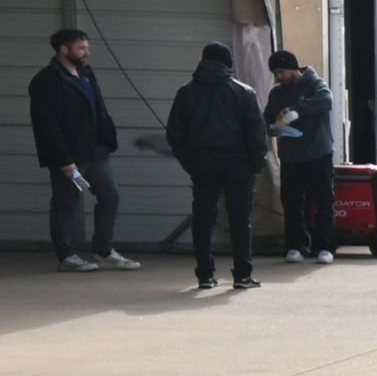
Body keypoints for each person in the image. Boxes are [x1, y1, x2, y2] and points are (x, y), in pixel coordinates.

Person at [26, 26, 138, 272]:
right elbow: (46, 125)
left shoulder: (86, 74)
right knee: (66, 202)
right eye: (81, 48)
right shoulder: (47, 81)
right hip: (69, 156)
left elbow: (98, 108)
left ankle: (103, 251)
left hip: (95, 151)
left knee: (110, 195)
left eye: (87, 47)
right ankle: (66, 256)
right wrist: (64, 161)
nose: (87, 52)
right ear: (64, 49)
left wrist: (107, 138)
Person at [165, 42, 266, 291]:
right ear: (227, 63)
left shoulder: (186, 93)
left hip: (202, 164)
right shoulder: (244, 92)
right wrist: (255, 164)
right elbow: (256, 135)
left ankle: (205, 275)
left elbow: (174, 134)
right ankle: (242, 275)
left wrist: (190, 163)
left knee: (203, 219)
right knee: (240, 220)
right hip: (238, 165)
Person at [265, 49, 337, 262]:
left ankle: (325, 246)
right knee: (292, 202)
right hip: (290, 156)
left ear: (293, 68)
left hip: (318, 152)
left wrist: (297, 110)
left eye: (282, 72)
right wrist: (272, 128)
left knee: (323, 200)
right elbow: (267, 117)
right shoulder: (276, 93)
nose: (279, 77)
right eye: (276, 73)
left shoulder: (315, 84)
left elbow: (326, 101)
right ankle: (296, 245)